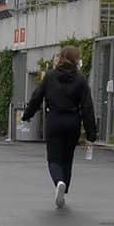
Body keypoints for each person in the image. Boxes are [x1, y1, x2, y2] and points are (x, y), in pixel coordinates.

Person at [21, 45, 97, 209]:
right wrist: (91, 133)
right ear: (76, 60)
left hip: (54, 119)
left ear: (60, 57)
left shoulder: (50, 76)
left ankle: (59, 182)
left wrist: (27, 115)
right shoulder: (81, 79)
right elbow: (87, 107)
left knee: (54, 158)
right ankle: (64, 188)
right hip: (72, 121)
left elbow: (36, 97)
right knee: (67, 157)